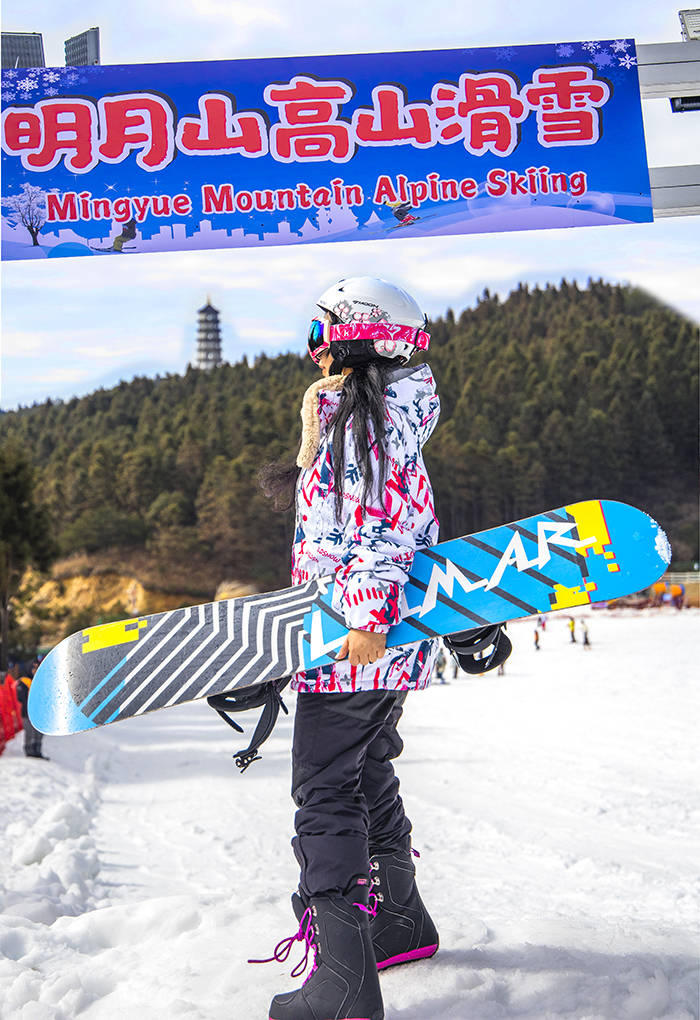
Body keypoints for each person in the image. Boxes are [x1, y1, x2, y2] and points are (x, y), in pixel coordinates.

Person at [257, 277, 443, 1020]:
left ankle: (343, 982)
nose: (314, 351)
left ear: (359, 336)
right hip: (384, 638)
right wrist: (309, 448)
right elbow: (347, 511)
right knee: (365, 772)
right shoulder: (388, 411)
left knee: (324, 793)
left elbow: (374, 526)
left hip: (354, 635)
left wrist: (361, 615)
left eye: (321, 333)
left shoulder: (363, 421)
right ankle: (398, 924)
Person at [14, 658, 49, 760]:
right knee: (30, 733)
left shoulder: (41, 681)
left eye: (37, 667)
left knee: (39, 734)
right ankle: (29, 752)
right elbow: (20, 698)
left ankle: (37, 751)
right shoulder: (24, 682)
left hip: (40, 713)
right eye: (33, 667)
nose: (35, 669)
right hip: (27, 713)